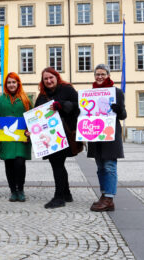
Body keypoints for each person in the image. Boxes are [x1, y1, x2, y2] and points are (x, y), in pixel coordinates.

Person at [34, 67, 80, 209]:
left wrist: (62, 106)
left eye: (51, 77)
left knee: (57, 164)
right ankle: (66, 193)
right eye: (45, 79)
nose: (48, 81)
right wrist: (32, 131)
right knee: (57, 164)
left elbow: (79, 107)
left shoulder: (67, 89)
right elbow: (36, 115)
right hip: (50, 136)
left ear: (56, 77)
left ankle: (59, 197)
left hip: (65, 134)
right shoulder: (42, 95)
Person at [88, 64, 127, 212]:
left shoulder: (116, 92)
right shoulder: (90, 93)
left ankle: (109, 198)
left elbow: (123, 115)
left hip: (110, 135)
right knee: (99, 167)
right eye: (97, 74)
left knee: (109, 166)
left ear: (108, 75)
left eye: (102, 74)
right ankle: (104, 195)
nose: (99, 77)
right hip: (96, 134)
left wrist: (120, 110)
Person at [0, 72, 32, 202]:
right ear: (6, 84)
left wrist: (30, 131)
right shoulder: (0, 100)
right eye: (9, 82)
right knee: (9, 164)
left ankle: (20, 189)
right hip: (6, 138)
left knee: (20, 163)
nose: (11, 85)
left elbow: (32, 118)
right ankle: (13, 191)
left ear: (18, 83)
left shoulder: (26, 99)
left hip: (21, 138)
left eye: (13, 82)